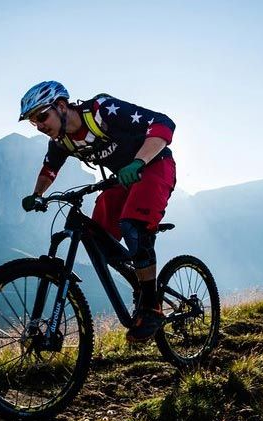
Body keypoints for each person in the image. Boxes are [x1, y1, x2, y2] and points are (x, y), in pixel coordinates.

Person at [18, 81, 176, 342]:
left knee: (133, 225)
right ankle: (141, 282)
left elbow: (163, 123)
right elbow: (50, 169)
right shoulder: (61, 141)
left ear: (61, 106)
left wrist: (138, 161)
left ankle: (151, 308)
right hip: (121, 180)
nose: (39, 125)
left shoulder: (102, 111)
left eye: (42, 116)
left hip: (154, 165)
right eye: (34, 122)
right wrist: (37, 195)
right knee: (101, 238)